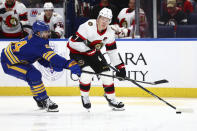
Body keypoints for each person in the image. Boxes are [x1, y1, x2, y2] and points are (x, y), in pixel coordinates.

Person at [0, 21, 81, 112]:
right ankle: (44, 99)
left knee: (34, 75)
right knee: (34, 75)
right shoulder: (38, 43)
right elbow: (53, 57)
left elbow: (39, 57)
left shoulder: (38, 38)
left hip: (18, 60)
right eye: (45, 32)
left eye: (48, 31)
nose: (48, 34)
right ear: (38, 33)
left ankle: (40, 99)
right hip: (9, 63)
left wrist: (50, 65)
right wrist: (68, 63)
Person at [67, 8, 126, 111]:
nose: (104, 22)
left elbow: (112, 51)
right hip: (77, 53)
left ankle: (111, 99)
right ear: (98, 18)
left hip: (93, 53)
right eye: (103, 18)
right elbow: (71, 43)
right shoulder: (88, 26)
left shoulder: (110, 32)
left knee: (107, 74)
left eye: (107, 20)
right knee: (87, 73)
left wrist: (120, 67)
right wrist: (86, 49)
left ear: (110, 22)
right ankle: (85, 97)